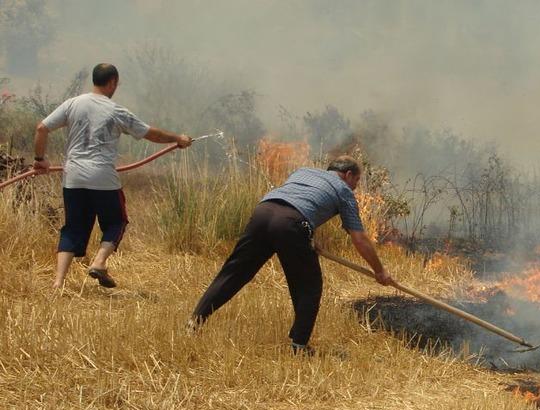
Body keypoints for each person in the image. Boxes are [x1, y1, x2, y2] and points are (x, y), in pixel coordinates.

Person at [188, 156, 394, 353]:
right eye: (356, 180)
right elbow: (359, 239)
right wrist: (380, 271)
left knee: (234, 273)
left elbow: (299, 200)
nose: (355, 186)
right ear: (348, 174)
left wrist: (308, 234)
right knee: (309, 286)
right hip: (291, 224)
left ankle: (194, 321)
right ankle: (299, 346)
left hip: (263, 212)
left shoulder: (303, 172)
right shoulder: (343, 189)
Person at [34, 63, 192, 289]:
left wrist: (40, 160)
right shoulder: (116, 111)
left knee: (73, 228)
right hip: (102, 177)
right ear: (112, 82)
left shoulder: (73, 104)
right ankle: (99, 262)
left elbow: (41, 128)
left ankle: (58, 283)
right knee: (117, 221)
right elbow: (151, 134)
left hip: (73, 177)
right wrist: (178, 138)